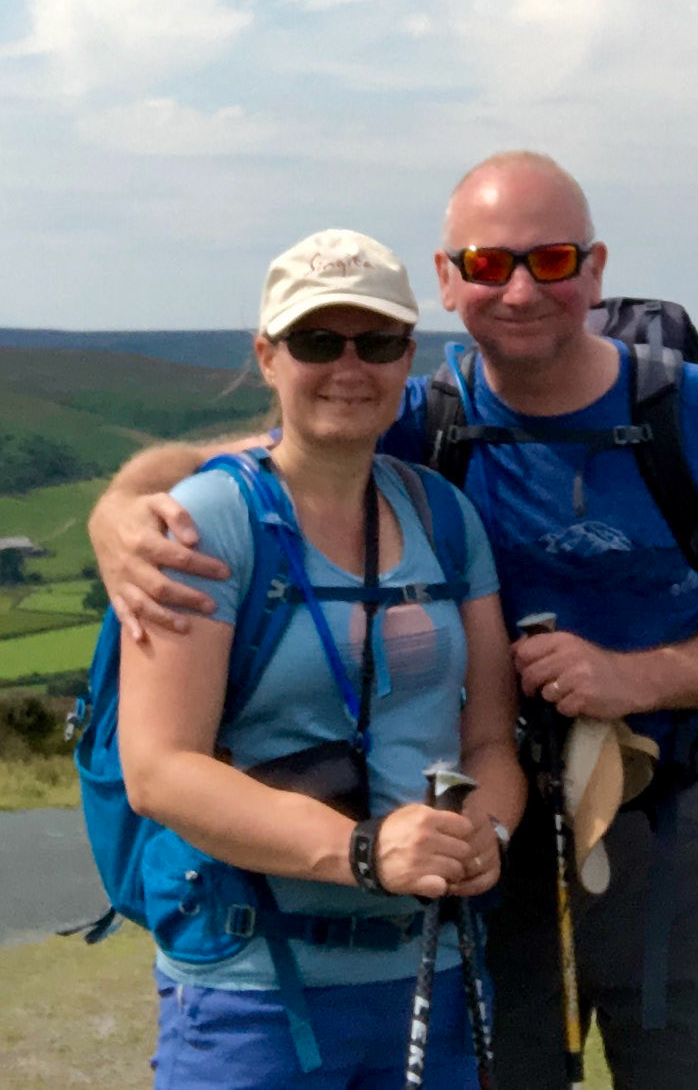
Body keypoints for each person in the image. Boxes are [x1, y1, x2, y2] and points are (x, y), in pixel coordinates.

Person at [92, 157, 698, 1090]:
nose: (519, 290)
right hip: (480, 835)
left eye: (551, 260)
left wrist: (636, 678)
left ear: (594, 271)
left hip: (672, 815)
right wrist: (120, 509)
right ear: (447, 282)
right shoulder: (413, 418)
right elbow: (240, 459)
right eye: (487, 264)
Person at [113, 228, 524, 1089]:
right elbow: (159, 769)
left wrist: (486, 833)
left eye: (375, 343)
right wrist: (365, 852)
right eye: (315, 341)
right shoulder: (209, 523)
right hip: (253, 996)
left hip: (433, 974)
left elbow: (489, 740)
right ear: (267, 356)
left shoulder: (446, 520)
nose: (349, 366)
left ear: (406, 356)